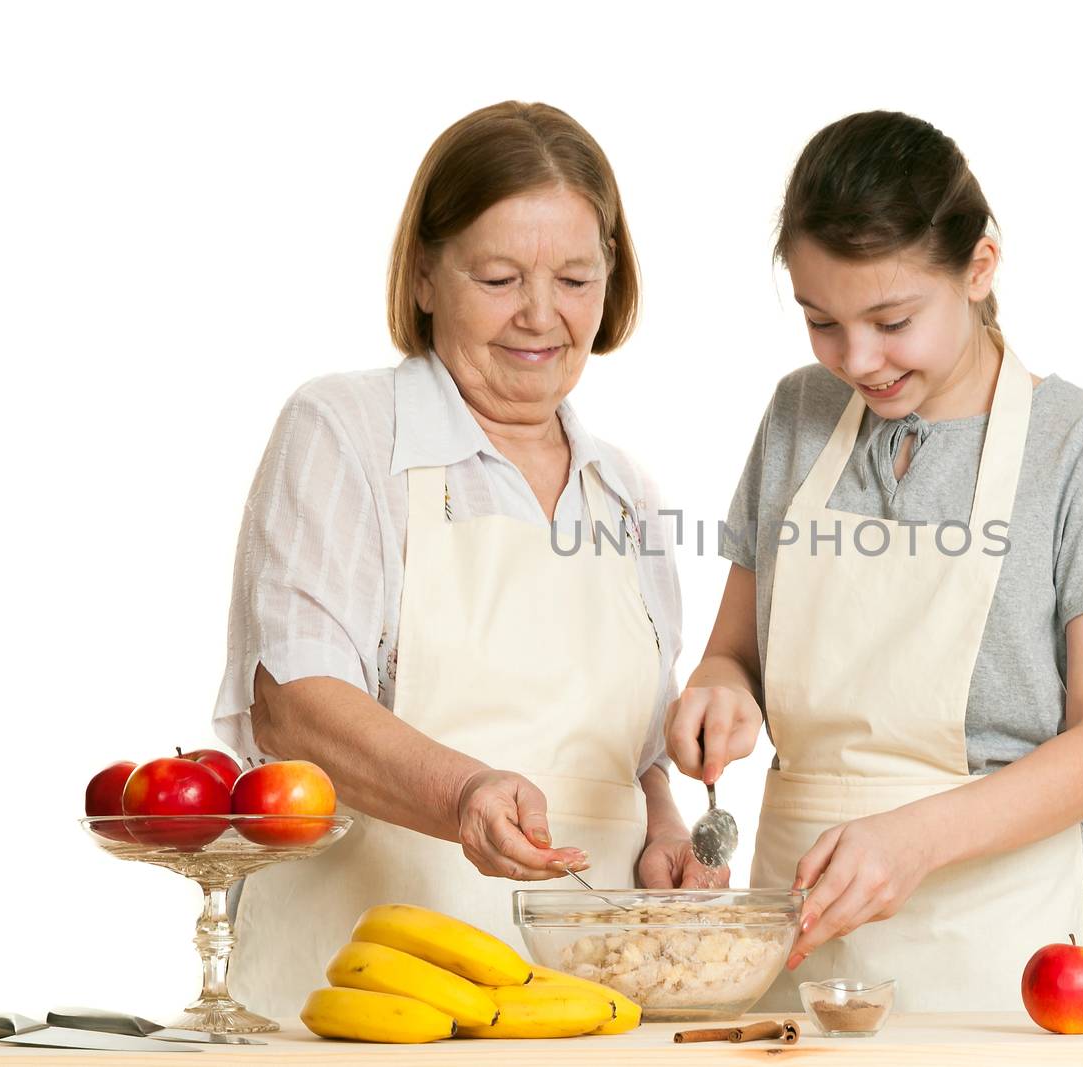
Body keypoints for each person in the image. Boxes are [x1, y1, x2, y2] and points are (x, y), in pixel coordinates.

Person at [211, 102, 719, 1019]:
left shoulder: (625, 492)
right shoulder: (346, 430)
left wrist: (665, 826)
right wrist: (465, 794)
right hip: (365, 988)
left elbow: (631, 747)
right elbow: (294, 704)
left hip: (587, 1002)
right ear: (423, 277)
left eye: (574, 277)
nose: (540, 315)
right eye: (497, 277)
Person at [666, 111, 1083, 1011]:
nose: (857, 360)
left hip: (1014, 956)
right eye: (822, 321)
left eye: (892, 320)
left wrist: (913, 839)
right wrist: (719, 687)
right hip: (799, 938)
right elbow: (733, 650)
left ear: (979, 269)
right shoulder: (799, 415)